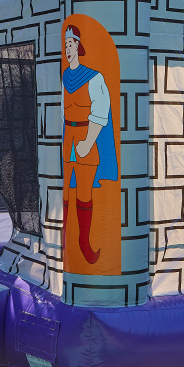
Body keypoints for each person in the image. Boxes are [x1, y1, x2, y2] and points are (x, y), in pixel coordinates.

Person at [61, 25, 117, 265]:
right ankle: (66, 238)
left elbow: (100, 110)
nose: (67, 49)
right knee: (65, 193)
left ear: (78, 47)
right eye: (65, 45)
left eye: (71, 44)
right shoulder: (65, 76)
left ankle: (84, 242)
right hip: (68, 137)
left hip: (85, 136)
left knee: (84, 194)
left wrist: (88, 140)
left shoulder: (94, 76)